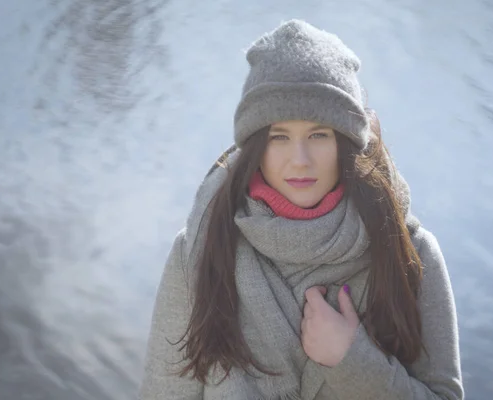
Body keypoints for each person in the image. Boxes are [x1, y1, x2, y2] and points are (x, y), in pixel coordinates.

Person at [140, 19, 464, 400]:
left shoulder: (411, 253)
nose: (300, 160)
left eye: (318, 135)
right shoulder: (200, 248)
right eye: (279, 137)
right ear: (255, 146)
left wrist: (352, 360)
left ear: (346, 143)